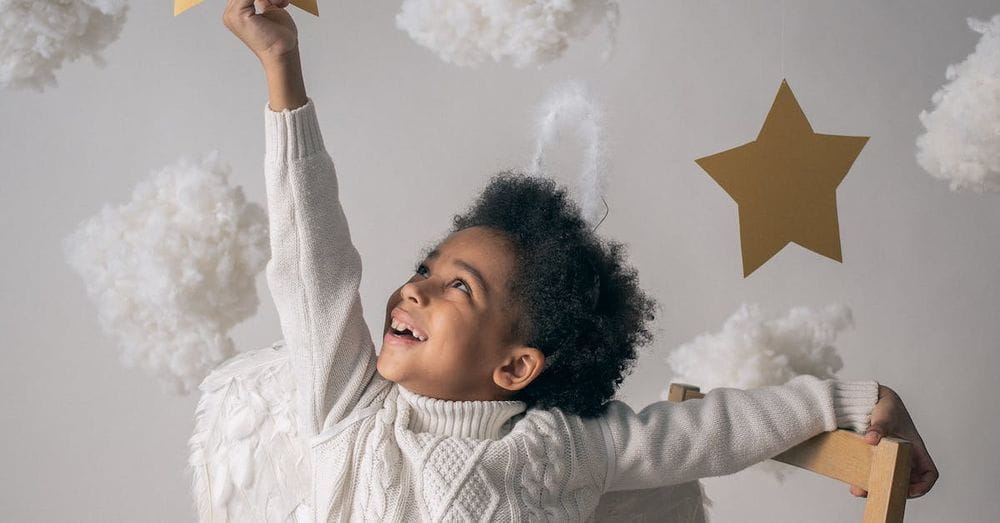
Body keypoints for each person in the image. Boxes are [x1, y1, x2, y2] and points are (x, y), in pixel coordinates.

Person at [222, 0, 939, 519]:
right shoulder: (350, 409)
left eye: (455, 287)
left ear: (514, 366)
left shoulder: (568, 446)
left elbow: (713, 431)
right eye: (425, 269)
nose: (414, 289)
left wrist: (858, 399)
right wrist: (281, 69)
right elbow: (312, 259)